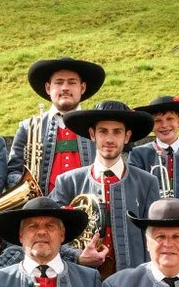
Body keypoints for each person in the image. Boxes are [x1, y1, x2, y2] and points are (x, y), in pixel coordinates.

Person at [50, 100, 163, 279]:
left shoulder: (147, 182)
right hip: (80, 280)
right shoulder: (68, 181)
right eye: (103, 131)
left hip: (133, 280)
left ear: (127, 137)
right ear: (92, 134)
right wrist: (77, 256)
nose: (109, 139)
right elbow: (51, 231)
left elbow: (155, 234)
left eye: (117, 132)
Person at [7, 56, 105, 194]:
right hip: (42, 210)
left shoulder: (97, 127)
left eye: (71, 83)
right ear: (48, 88)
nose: (65, 88)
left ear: (82, 88)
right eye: (59, 82)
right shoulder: (28, 127)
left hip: (86, 207)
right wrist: (29, 193)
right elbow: (13, 171)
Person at [130, 95, 179, 198]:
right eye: (157, 121)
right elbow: (137, 192)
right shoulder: (138, 154)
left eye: (170, 119)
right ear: (151, 124)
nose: (164, 125)